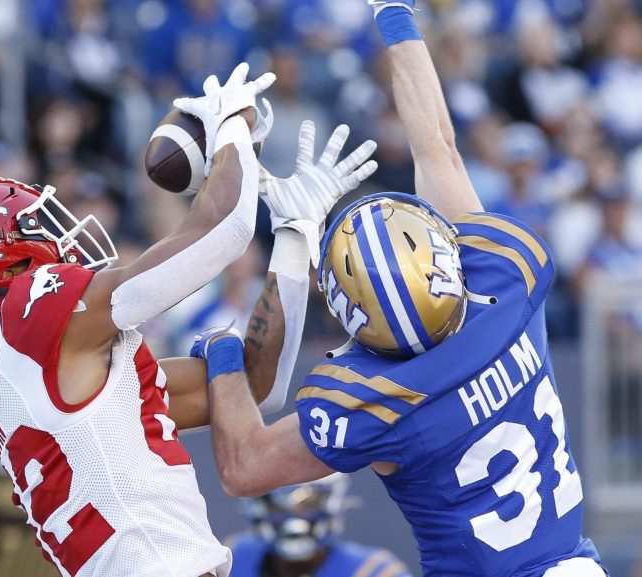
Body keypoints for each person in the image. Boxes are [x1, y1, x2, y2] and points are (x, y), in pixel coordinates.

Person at [0, 61, 378, 577]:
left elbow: (256, 386)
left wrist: (294, 233)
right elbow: (222, 232)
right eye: (35, 227)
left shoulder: (36, 366)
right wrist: (231, 126)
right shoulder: (30, 318)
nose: (60, 240)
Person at [192, 4, 609, 577]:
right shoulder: (506, 275)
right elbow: (438, 145)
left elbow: (244, 465)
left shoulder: (376, 397)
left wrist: (220, 352)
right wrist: (395, 14)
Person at [230, 473, 414, 577]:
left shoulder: (376, 572)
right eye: (277, 503)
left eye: (308, 502)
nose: (295, 514)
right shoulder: (233, 556)